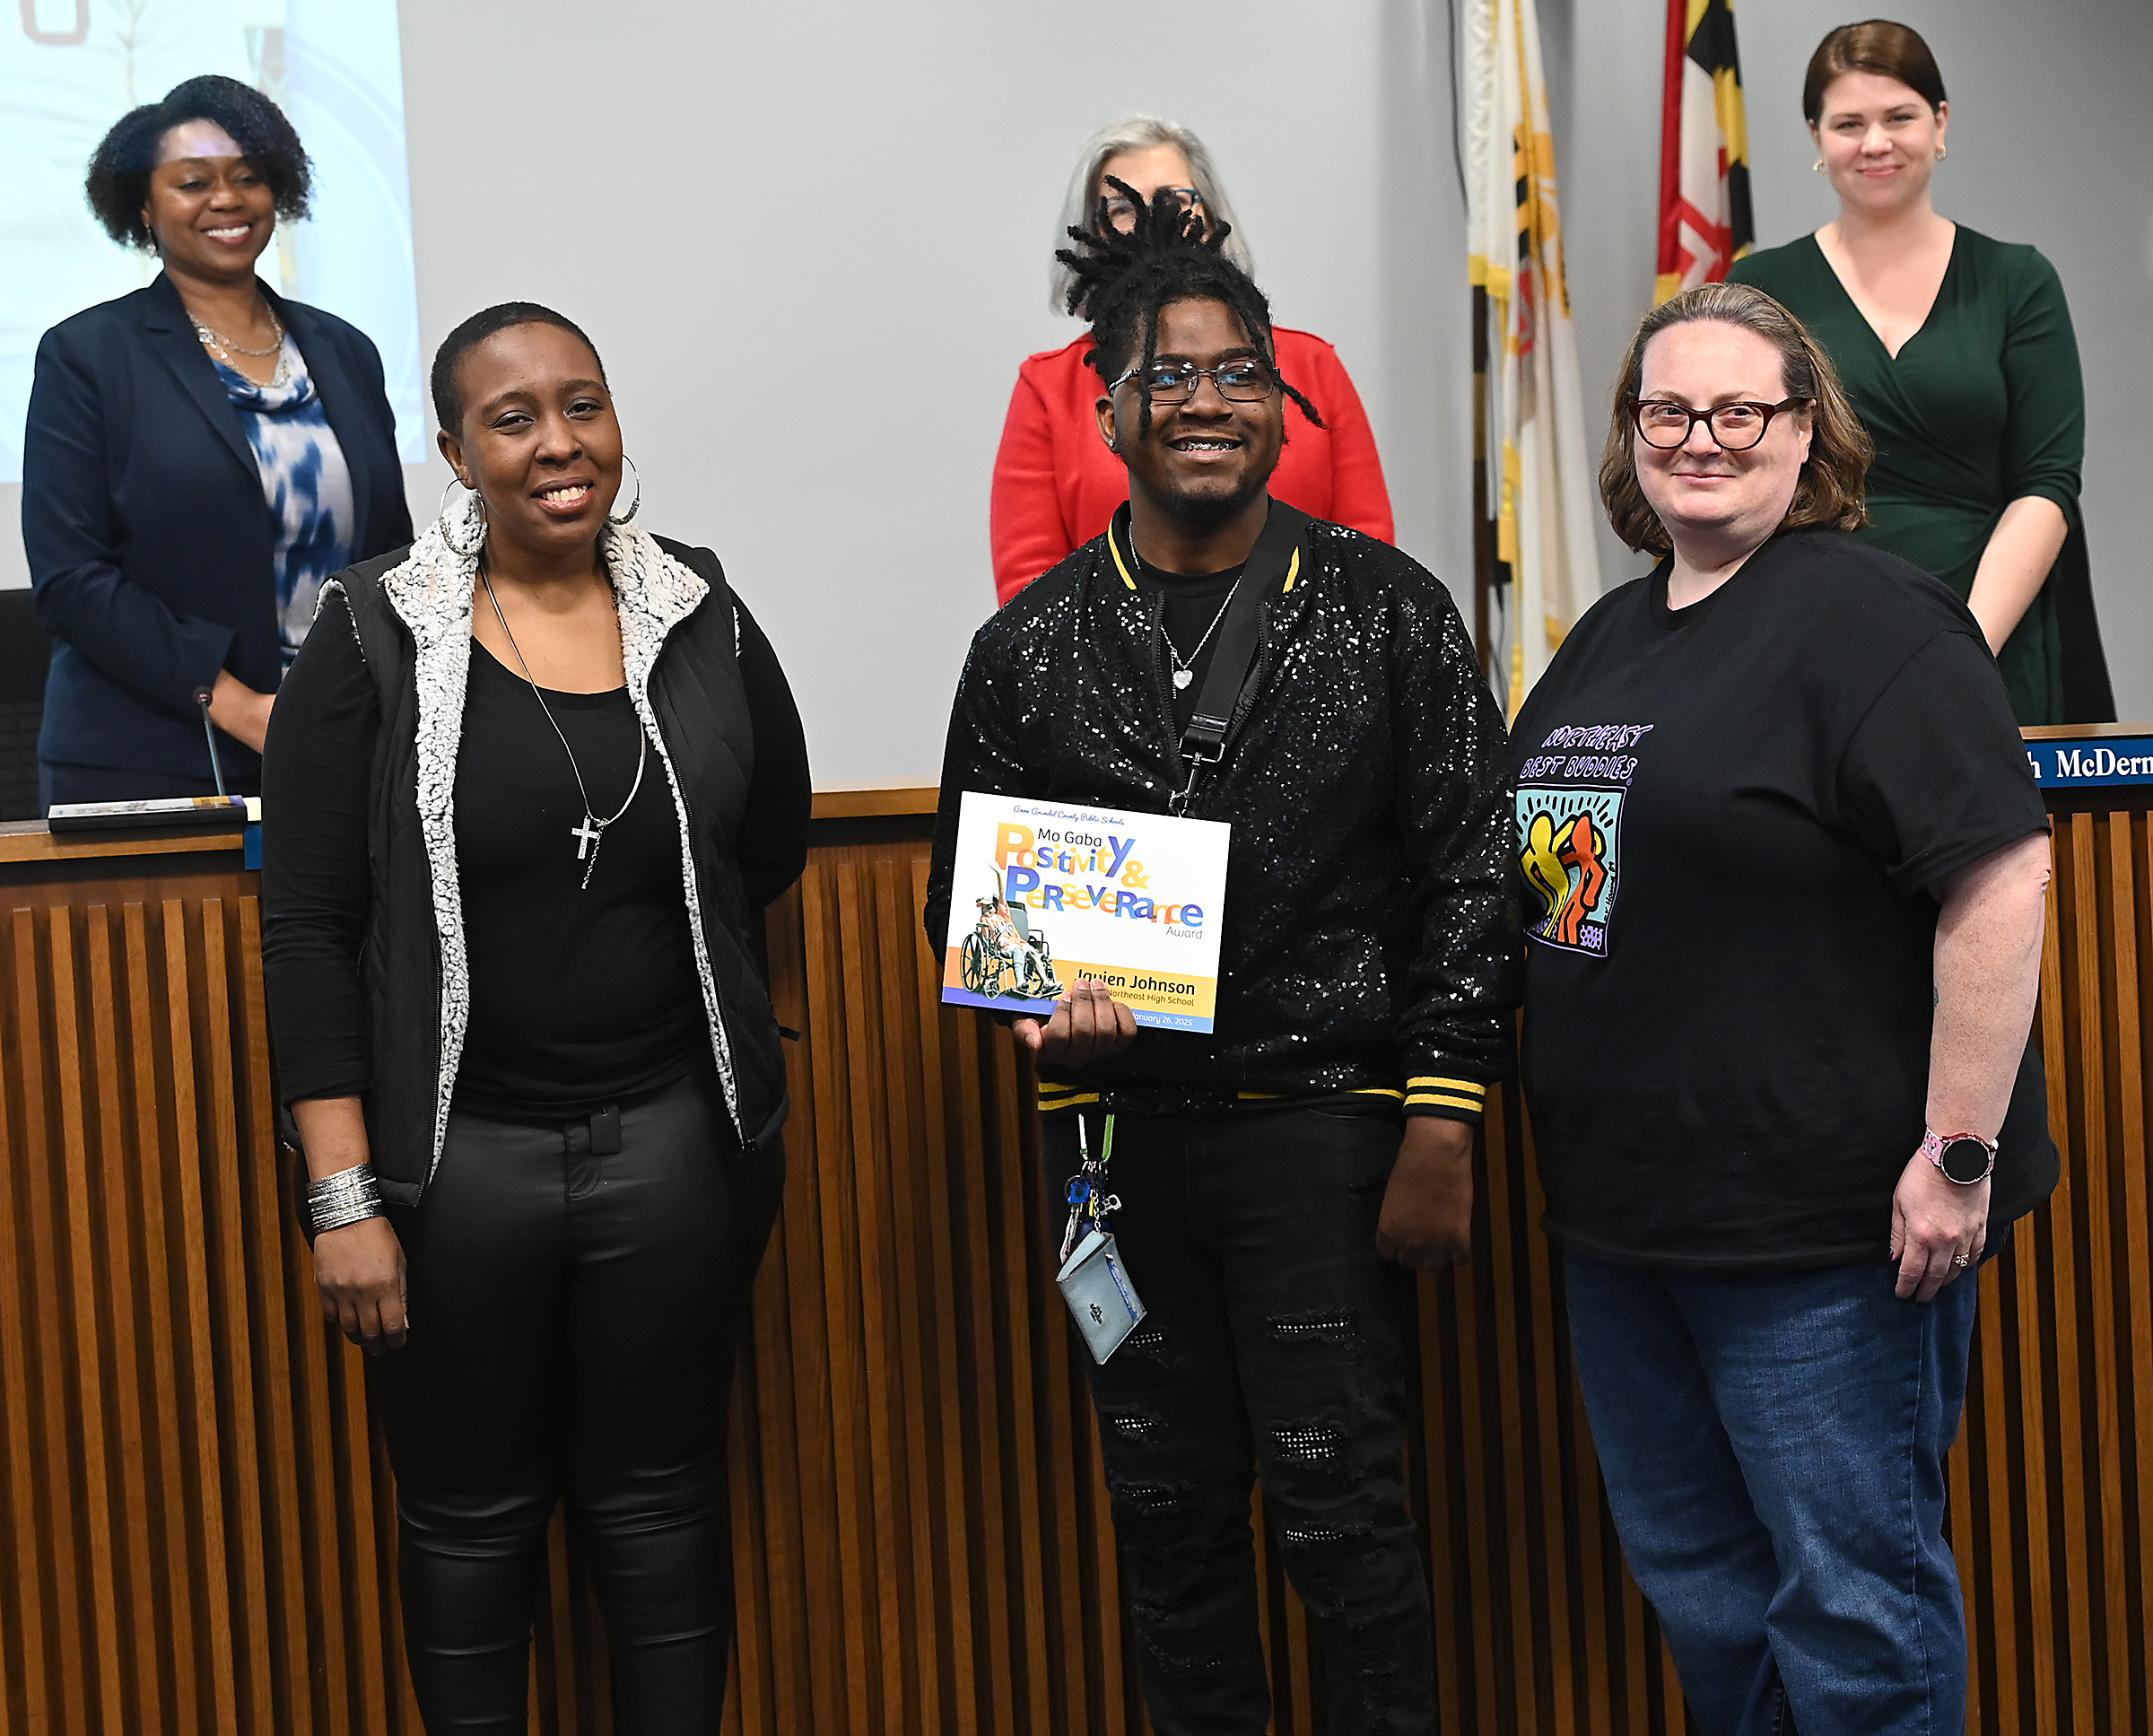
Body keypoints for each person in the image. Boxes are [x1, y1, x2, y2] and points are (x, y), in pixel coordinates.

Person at [926, 189, 1515, 1734]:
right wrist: (1036, 1016)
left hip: (1327, 1134)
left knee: (1342, 1522)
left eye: (1239, 371)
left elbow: (1471, 871)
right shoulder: (1030, 647)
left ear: (1285, 400)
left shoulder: (1391, 614)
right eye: (1169, 374)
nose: (1207, 400)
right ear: (1106, 409)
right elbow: (971, 908)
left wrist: (1445, 1112)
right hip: (1117, 1154)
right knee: (1169, 1530)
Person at [1512, 281, 2054, 1734]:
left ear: (1807, 433)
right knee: (1701, 1587)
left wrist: (1958, 1157)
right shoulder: (1602, 643)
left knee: (1853, 1611)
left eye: (1740, 408)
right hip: (1627, 1233)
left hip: (1824, 1239)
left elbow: (2000, 883)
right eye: (1668, 410)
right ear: (1630, 437)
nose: (1701, 437)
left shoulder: (1875, 620)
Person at [260, 302, 809, 1732]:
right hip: (454, 1171)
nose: (559, 444)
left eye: (585, 404)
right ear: (454, 451)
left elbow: (772, 841)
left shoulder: (699, 606)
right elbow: (312, 930)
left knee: (663, 1503)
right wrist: (340, 1198)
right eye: (514, 418)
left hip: (671, 1151)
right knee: (468, 1522)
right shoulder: (375, 633)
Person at [22, 74, 412, 807]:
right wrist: (238, 705)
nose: (226, 199)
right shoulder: (88, 354)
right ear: (142, 204)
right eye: (192, 182)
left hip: (342, 747)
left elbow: (390, 554)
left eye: (249, 178)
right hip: (149, 755)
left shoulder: (346, 350)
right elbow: (72, 578)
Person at [1728, 19, 2112, 724]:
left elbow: (2047, 483)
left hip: (1993, 634)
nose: (1875, 142)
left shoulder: (2017, 280)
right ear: (1817, 136)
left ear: (1939, 122)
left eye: (1899, 116)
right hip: (1813, 639)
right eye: (1849, 122)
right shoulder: (1758, 289)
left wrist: (1957, 648)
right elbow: (1740, 471)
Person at [989, 115, 1394, 606]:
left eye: (1177, 198)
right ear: (1089, 230)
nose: (1150, 214)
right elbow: (1031, 593)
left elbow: (1367, 559)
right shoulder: (1047, 387)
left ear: (1212, 214)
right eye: (1120, 204)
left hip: (1309, 666)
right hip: (1104, 672)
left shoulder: (1312, 366)